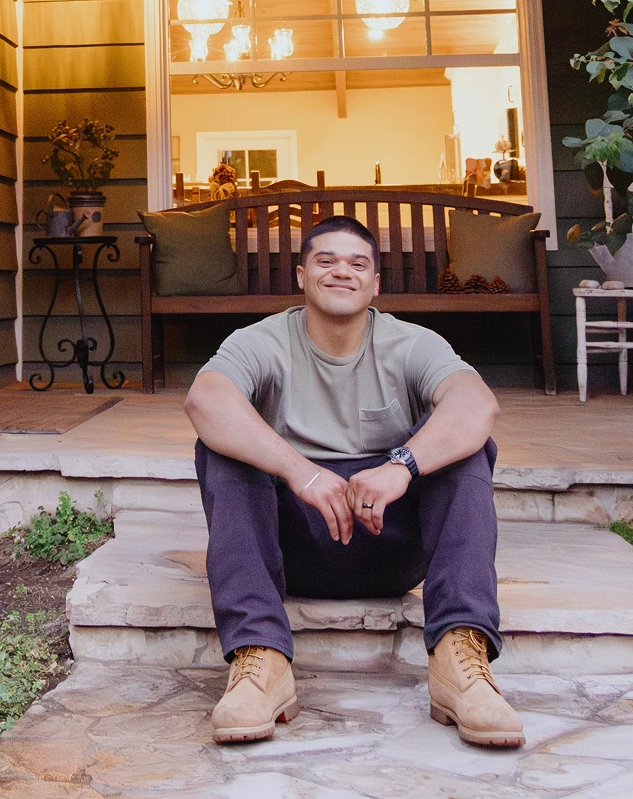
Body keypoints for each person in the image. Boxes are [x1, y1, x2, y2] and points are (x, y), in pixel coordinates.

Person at [183, 215, 524, 748]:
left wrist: (400, 467)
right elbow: (205, 400)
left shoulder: (411, 342)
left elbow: (477, 404)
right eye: (326, 260)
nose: (342, 271)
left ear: (375, 284)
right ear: (301, 275)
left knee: (466, 447)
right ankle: (260, 661)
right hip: (292, 546)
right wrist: (301, 470)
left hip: (388, 542)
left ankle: (461, 659)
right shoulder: (262, 341)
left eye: (357, 263)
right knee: (224, 448)